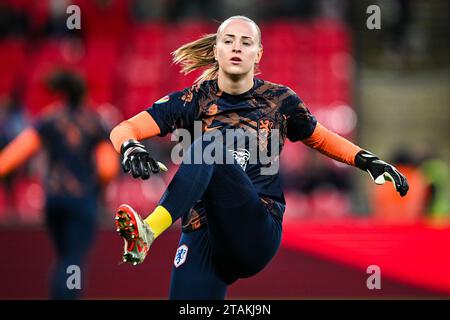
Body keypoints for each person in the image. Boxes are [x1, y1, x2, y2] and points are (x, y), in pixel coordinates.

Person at [109, 15, 409, 299]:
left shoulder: (280, 101)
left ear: (259, 54)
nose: (237, 47)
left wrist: (366, 159)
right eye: (228, 41)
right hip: (203, 233)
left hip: (256, 228)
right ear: (216, 50)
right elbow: (125, 128)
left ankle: (149, 229)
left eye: (246, 41)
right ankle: (149, 234)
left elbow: (318, 137)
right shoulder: (192, 100)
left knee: (209, 144)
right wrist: (130, 146)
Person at [0, 71, 119, 299]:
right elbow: (107, 169)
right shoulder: (94, 122)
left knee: (64, 257)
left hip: (54, 201)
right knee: (74, 259)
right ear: (84, 94)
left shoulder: (50, 120)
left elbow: (11, 157)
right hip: (82, 201)